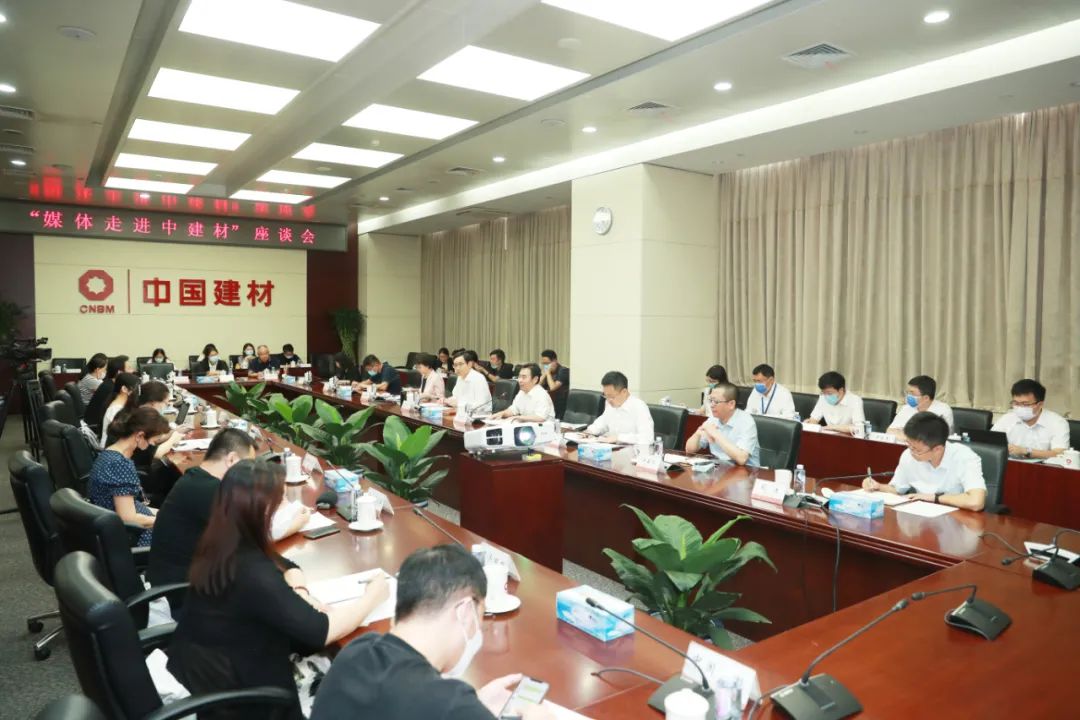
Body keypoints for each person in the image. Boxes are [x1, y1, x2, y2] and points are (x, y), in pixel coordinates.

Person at [167, 460, 389, 720]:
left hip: (218, 673)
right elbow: (322, 631)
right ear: (262, 511)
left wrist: (300, 590)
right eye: (281, 500)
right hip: (249, 702)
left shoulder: (223, 541)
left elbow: (286, 565)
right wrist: (373, 596)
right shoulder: (251, 572)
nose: (286, 507)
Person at [311, 544, 552, 720]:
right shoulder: (450, 704)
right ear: (465, 611)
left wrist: (475, 705)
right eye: (479, 620)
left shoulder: (356, 651)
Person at [147, 429, 259, 589]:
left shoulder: (195, 477)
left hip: (176, 578)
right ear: (232, 459)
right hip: (183, 591)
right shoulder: (210, 491)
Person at [864, 412, 986, 511]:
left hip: (956, 519)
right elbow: (897, 489)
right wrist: (878, 486)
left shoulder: (964, 457)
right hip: (920, 516)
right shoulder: (908, 455)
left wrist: (934, 498)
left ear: (937, 449)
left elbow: (976, 502)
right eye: (909, 445)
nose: (911, 452)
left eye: (917, 450)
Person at [87, 406, 171, 546]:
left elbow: (131, 506)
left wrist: (166, 515)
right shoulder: (120, 465)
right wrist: (167, 520)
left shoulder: (109, 454)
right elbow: (128, 518)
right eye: (153, 441)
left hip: (122, 528)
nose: (152, 445)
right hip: (136, 536)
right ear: (140, 436)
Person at [990, 379, 1070, 459]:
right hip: (1010, 464)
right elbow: (990, 444)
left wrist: (1027, 451)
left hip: (1043, 465)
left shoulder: (1057, 423)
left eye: (1025, 404)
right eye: (1016, 403)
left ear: (1040, 404)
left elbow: (1060, 454)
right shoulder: (1007, 418)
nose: (1019, 408)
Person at [685, 383, 760, 467]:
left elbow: (742, 459)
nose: (711, 405)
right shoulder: (713, 419)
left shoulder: (746, 421)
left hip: (746, 470)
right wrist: (698, 433)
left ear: (731, 404)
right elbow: (689, 450)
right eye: (711, 400)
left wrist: (715, 434)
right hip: (719, 467)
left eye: (716, 402)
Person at [585, 371, 655, 444]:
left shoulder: (639, 407)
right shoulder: (610, 404)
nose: (608, 400)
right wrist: (588, 432)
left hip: (633, 450)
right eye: (606, 396)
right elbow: (601, 423)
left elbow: (647, 438)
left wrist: (619, 438)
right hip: (612, 448)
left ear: (624, 392)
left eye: (611, 396)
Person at [888, 375, 954, 439]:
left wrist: (906, 436)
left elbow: (935, 438)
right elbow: (890, 431)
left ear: (926, 398)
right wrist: (913, 439)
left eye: (912, 393)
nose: (908, 396)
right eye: (907, 392)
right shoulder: (906, 408)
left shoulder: (943, 410)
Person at [100, 372, 141, 447]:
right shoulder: (115, 410)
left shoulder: (120, 404)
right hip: (111, 448)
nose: (137, 392)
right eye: (135, 389)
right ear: (124, 389)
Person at [539, 349, 570, 419]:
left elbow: (553, 388)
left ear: (554, 361)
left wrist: (548, 373)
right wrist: (544, 374)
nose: (545, 366)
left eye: (547, 363)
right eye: (544, 364)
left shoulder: (564, 371)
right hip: (548, 403)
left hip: (560, 405)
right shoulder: (547, 371)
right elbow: (537, 386)